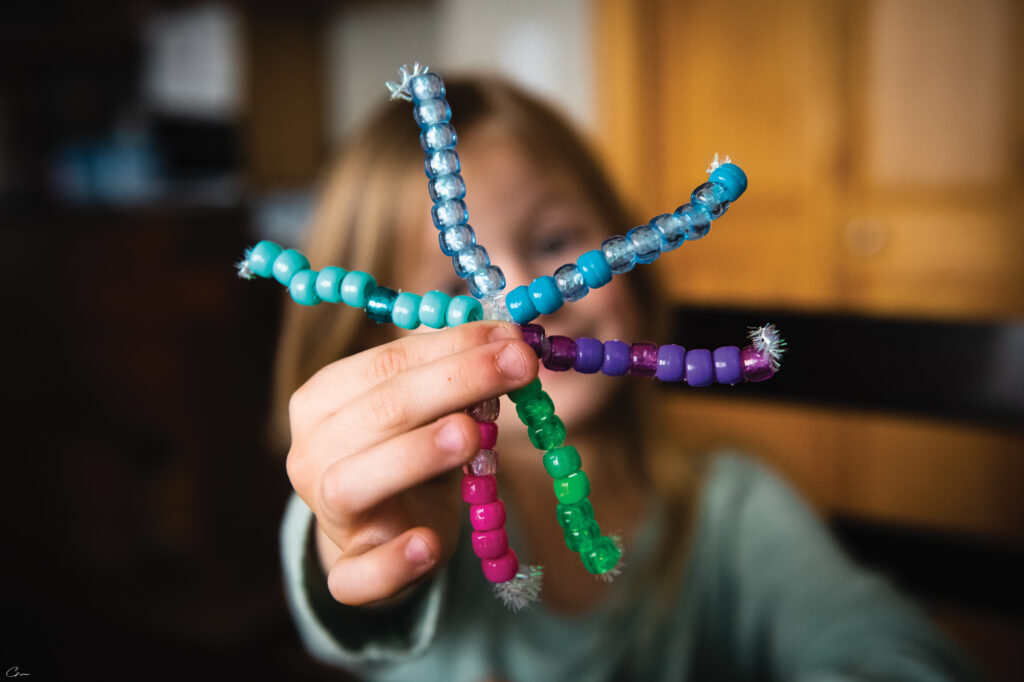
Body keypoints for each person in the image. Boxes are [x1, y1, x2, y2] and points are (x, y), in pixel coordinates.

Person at [273, 77, 975, 681]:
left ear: (615, 232)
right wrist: (353, 523)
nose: (524, 297)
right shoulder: (425, 507)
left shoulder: (731, 512)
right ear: (378, 350)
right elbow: (346, 585)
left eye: (553, 243)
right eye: (451, 285)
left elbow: (901, 655)